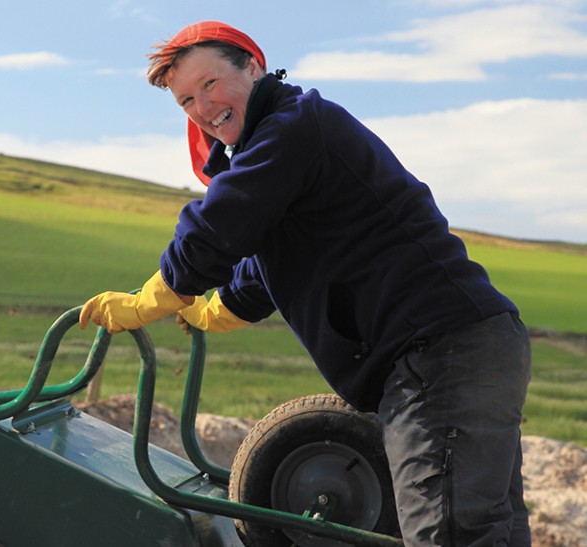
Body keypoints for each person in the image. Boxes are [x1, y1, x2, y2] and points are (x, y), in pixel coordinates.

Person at [79, 21, 532, 546]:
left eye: (209, 84)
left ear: (252, 65)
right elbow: (270, 265)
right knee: (487, 533)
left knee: (449, 536)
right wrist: (215, 309)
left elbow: (219, 226)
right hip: (464, 350)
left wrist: (147, 301)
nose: (203, 107)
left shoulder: (293, 126)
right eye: (186, 100)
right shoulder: (289, 143)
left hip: (440, 358)